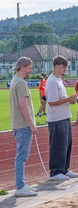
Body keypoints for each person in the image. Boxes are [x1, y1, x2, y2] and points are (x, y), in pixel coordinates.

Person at [46, 55, 78, 181]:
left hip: (64, 116)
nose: (65, 70)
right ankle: (55, 171)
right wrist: (68, 100)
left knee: (66, 144)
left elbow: (60, 100)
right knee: (58, 145)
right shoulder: (52, 81)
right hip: (56, 119)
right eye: (63, 67)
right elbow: (52, 102)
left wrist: (70, 100)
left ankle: (64, 169)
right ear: (57, 66)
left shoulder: (59, 80)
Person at [10, 57, 38, 197]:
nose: (30, 71)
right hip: (23, 125)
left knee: (21, 155)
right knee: (22, 156)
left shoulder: (15, 80)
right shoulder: (21, 83)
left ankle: (22, 184)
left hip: (18, 124)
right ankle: (20, 186)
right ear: (22, 68)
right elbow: (23, 106)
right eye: (29, 68)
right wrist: (32, 125)